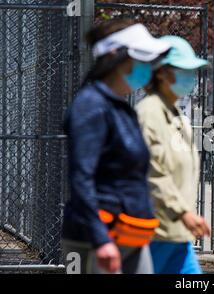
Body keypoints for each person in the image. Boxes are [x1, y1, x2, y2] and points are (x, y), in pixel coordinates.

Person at [61, 20, 171, 274]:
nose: (148, 68)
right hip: (99, 238)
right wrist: (100, 240)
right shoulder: (91, 105)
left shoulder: (121, 107)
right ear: (114, 57)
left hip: (131, 233)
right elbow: (82, 176)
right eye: (141, 59)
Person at [135, 36, 210, 274]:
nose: (191, 77)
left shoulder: (177, 115)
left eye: (192, 70)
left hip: (177, 233)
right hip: (155, 234)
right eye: (184, 70)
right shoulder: (148, 114)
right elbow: (152, 172)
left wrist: (185, 216)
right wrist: (182, 212)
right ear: (161, 73)